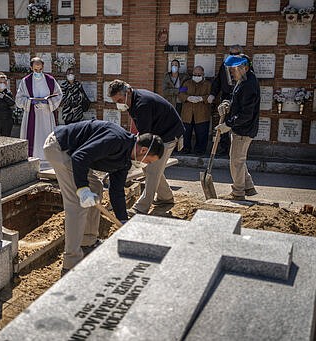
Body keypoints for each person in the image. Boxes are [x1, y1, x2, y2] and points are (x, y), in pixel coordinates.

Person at [43, 119, 164, 275]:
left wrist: (123, 220)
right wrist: (82, 189)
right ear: (143, 150)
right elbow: (80, 157)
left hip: (75, 155)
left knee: (96, 187)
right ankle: (71, 262)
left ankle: (88, 242)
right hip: (60, 148)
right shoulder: (115, 139)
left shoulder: (126, 160)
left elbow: (117, 190)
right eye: (148, 161)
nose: (146, 164)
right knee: (77, 204)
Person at [108, 79, 185, 216]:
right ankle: (165, 197)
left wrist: (132, 155)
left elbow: (145, 138)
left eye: (120, 100)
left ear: (128, 92)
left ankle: (141, 208)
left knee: (151, 170)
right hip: (159, 133)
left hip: (168, 135)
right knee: (152, 167)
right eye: (116, 102)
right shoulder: (132, 101)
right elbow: (136, 127)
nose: (119, 104)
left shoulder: (142, 104)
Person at [215, 54, 260, 201]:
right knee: (238, 159)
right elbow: (238, 102)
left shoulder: (248, 85)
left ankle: (238, 192)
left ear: (244, 67)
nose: (232, 73)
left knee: (236, 162)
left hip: (243, 130)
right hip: (241, 128)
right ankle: (248, 186)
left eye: (233, 69)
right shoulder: (244, 81)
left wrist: (228, 125)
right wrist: (227, 104)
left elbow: (246, 113)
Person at [16, 56, 63, 161]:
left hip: (46, 114)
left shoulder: (50, 80)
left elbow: (58, 95)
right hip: (31, 114)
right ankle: (31, 158)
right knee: (32, 138)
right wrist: (30, 101)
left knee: (46, 136)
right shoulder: (25, 81)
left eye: (40, 69)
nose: (38, 71)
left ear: (43, 67)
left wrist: (48, 102)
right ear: (31, 68)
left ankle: (48, 158)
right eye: (36, 70)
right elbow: (18, 99)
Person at [209, 44, 243, 157]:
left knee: (236, 122)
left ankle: (235, 151)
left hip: (239, 98)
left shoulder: (245, 65)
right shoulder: (224, 64)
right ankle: (224, 148)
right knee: (223, 122)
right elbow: (218, 80)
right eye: (231, 53)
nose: (233, 56)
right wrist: (213, 94)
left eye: (236, 53)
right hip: (226, 96)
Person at [178, 65, 212, 156]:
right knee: (186, 133)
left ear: (203, 74)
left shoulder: (208, 84)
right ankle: (186, 149)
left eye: (199, 74)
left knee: (202, 133)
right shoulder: (186, 83)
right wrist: (188, 97)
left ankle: (200, 151)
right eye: (195, 74)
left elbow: (212, 97)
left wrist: (202, 98)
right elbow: (180, 94)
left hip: (202, 114)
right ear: (192, 73)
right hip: (187, 114)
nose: (197, 76)